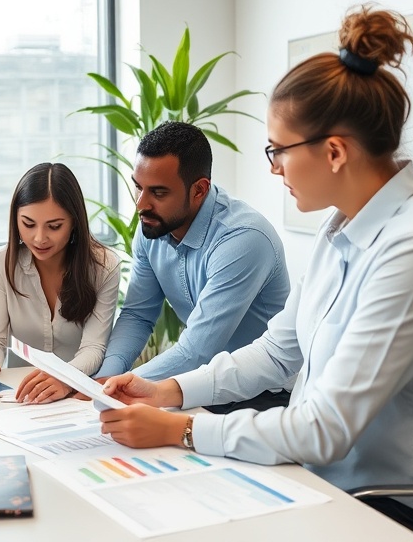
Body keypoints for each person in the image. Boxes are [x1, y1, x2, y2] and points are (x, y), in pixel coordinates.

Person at [99, 5, 413, 542]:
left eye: (278, 150)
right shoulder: (340, 231)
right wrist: (166, 391)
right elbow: (277, 352)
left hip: (394, 509)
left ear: (334, 152)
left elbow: (326, 429)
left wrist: (182, 429)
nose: (273, 166)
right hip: (319, 480)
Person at [95, 120, 291, 412]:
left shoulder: (244, 239)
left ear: (199, 190)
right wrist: (105, 378)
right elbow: (138, 315)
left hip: (264, 396)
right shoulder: (153, 226)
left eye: (158, 193)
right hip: (199, 386)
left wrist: (115, 389)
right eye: (138, 187)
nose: (141, 204)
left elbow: (197, 351)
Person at [0, 163, 120, 403]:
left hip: (79, 394)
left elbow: (94, 348)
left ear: (74, 222)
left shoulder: (104, 266)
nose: (39, 238)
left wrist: (64, 379)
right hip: (21, 395)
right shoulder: (1, 262)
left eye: (54, 226)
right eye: (28, 224)